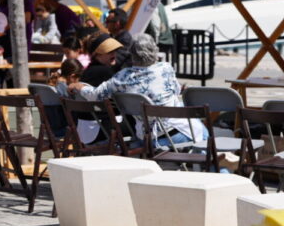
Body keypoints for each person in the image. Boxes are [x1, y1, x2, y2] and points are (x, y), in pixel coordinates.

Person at [73, 33, 208, 148]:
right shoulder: (166, 69)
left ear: (132, 54)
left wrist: (80, 86)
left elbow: (95, 95)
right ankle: (217, 169)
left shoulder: (122, 76)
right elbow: (177, 91)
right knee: (204, 136)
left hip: (145, 137)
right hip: (173, 133)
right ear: (155, 51)